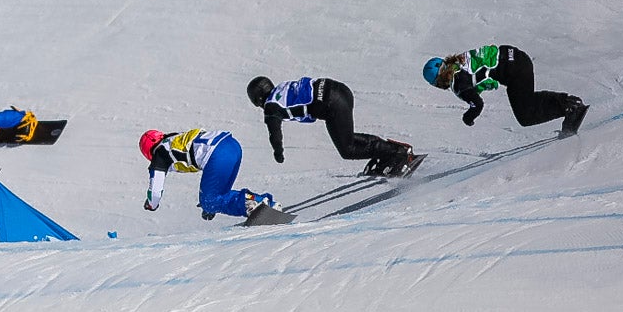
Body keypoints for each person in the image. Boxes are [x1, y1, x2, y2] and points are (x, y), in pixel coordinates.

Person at [247, 75, 416, 176]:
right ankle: (388, 152)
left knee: (347, 149)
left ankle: (397, 153)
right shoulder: (282, 88)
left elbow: (274, 134)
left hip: (331, 104)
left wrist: (278, 153)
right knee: (347, 138)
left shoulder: (271, 106)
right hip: (340, 90)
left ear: (258, 99)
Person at [422, 44, 588, 136]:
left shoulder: (458, 83)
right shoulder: (459, 61)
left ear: (438, 81)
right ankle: (569, 103)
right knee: (526, 100)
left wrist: (468, 118)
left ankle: (570, 107)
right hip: (518, 57)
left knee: (525, 116)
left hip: (514, 70)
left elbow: (477, 104)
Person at [139, 128, 279, 220]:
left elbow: (155, 192)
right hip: (231, 145)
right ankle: (263, 203)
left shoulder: (160, 154)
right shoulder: (174, 139)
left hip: (217, 155)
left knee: (210, 200)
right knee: (215, 197)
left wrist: (151, 205)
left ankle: (257, 204)